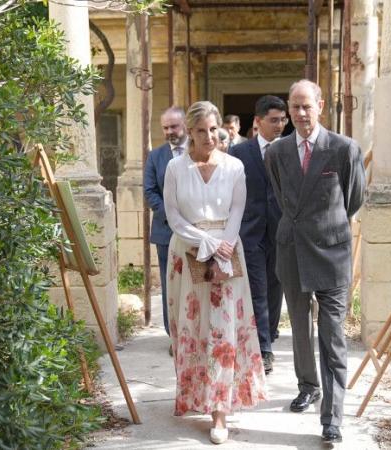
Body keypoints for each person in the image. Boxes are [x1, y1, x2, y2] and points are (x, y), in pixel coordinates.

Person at [265, 80, 366, 445]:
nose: (301, 114)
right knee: (301, 330)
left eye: (307, 106)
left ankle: (332, 419)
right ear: (289, 111)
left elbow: (353, 200)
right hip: (292, 251)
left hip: (331, 252)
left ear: (321, 106)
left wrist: (326, 226)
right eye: (295, 107)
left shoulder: (343, 149)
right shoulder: (276, 153)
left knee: (332, 336)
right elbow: (281, 196)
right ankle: (308, 385)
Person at [164, 101, 267, 445]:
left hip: (226, 252)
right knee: (193, 328)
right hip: (188, 250)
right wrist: (205, 241)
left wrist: (223, 245)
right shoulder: (175, 169)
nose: (209, 137)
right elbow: (174, 217)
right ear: (189, 133)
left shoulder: (235, 166)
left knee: (224, 331)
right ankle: (196, 396)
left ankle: (220, 411)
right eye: (200, 131)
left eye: (213, 129)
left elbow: (238, 210)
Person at [229, 95, 287, 375]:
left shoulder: (289, 151)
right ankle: (263, 349)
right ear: (258, 121)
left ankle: (270, 333)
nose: (280, 125)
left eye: (282, 120)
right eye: (274, 120)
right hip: (250, 234)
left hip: (281, 233)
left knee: (276, 289)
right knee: (257, 290)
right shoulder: (239, 153)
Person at [143, 106, 188, 351]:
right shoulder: (156, 156)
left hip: (197, 232)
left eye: (174, 126)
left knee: (196, 283)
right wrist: (173, 216)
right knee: (170, 285)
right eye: (166, 128)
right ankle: (176, 338)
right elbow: (150, 191)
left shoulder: (197, 151)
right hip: (166, 232)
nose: (170, 131)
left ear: (185, 126)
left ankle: (196, 333)